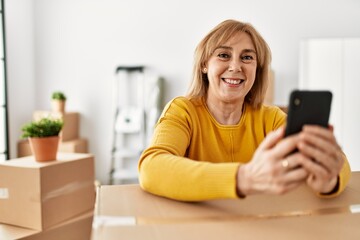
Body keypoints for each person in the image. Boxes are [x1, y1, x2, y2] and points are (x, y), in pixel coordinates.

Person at [138, 19, 351, 201]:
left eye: (247, 57)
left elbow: (339, 163)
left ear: (257, 71)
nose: (235, 67)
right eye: (223, 55)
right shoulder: (182, 111)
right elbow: (152, 168)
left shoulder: (270, 118)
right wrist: (244, 178)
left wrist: (328, 180)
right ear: (204, 64)